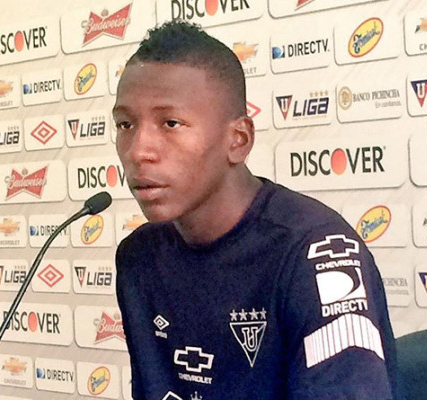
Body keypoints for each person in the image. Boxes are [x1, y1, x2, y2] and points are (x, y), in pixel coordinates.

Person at [113, 21, 403, 400]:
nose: (138, 150)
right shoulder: (139, 257)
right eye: (125, 124)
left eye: (171, 123)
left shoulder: (317, 253)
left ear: (238, 140)